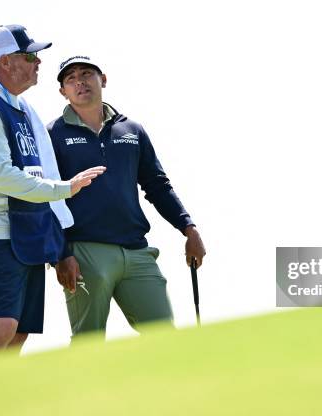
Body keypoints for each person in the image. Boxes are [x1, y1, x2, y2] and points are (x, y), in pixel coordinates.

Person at [0, 26, 106, 358]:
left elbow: (43, 170)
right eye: (30, 56)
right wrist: (66, 189)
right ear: (5, 62)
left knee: (19, 332)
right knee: (1, 326)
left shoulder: (24, 109)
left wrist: (59, 246)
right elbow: (1, 177)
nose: (38, 63)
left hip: (28, 232)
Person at [47, 55, 206, 336]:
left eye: (86, 73)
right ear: (63, 91)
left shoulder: (131, 130)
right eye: (70, 79)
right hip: (84, 252)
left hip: (136, 251)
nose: (79, 82)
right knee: (88, 342)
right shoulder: (52, 134)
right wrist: (60, 255)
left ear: (103, 80)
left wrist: (188, 228)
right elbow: (46, 198)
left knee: (165, 337)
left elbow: (156, 184)